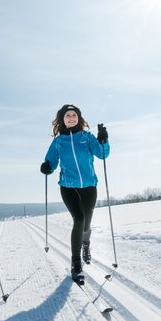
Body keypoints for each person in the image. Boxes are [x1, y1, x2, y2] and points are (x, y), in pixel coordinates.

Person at [40, 104, 109, 285]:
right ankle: (76, 263)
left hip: (89, 187)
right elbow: (51, 163)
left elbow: (103, 154)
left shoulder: (86, 137)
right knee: (78, 219)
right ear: (62, 119)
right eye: (67, 115)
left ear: (78, 118)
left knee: (86, 224)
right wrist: (46, 167)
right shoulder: (58, 142)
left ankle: (86, 244)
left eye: (74, 115)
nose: (71, 118)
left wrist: (103, 140)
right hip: (68, 187)